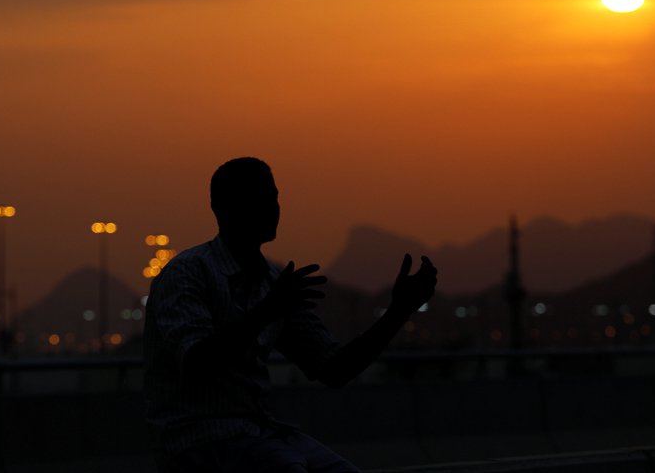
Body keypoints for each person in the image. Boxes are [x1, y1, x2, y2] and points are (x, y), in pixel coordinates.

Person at [143, 157, 438, 472]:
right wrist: (268, 310)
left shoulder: (273, 282)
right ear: (222, 209)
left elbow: (334, 369)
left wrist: (398, 311)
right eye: (257, 198)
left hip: (262, 434)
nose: (271, 207)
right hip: (198, 440)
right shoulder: (189, 273)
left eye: (274, 197)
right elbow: (198, 362)